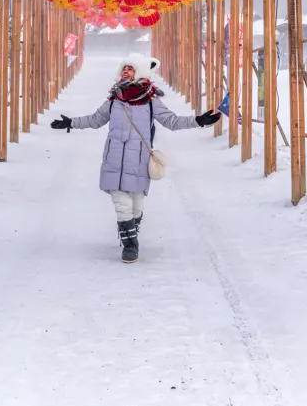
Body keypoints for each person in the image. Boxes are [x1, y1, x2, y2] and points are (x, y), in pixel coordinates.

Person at [51, 53, 220, 263]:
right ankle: (131, 245)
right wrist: (70, 123)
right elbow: (94, 120)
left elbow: (172, 121)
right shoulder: (113, 101)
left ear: (139, 72)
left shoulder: (151, 102)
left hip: (139, 160)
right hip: (114, 158)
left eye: (130, 68)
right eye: (124, 68)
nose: (126, 71)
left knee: (136, 206)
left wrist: (199, 120)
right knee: (121, 202)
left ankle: (130, 229)